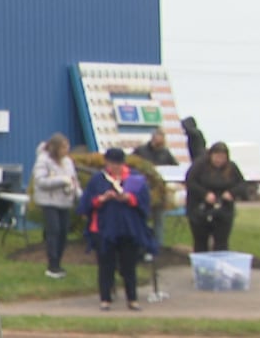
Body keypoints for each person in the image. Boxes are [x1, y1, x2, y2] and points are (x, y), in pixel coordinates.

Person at [79, 148, 155, 312]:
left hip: (129, 228)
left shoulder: (135, 178)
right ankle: (105, 299)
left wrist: (130, 198)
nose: (115, 167)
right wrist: (102, 199)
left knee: (129, 265)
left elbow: (145, 203)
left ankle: (132, 299)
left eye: (118, 164)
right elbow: (86, 203)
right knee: (106, 264)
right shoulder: (98, 179)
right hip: (104, 227)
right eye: (112, 163)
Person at [32, 133, 81, 279]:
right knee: (54, 231)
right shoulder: (43, 160)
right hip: (49, 202)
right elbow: (40, 181)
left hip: (65, 201)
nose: (66, 150)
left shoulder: (68, 162)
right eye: (64, 147)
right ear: (55, 148)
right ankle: (52, 266)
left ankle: (58, 263)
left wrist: (80, 195)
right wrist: (61, 180)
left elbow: (74, 180)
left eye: (68, 147)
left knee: (64, 233)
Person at [185, 141, 247, 253]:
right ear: (211, 155)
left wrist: (231, 193)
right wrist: (205, 194)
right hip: (200, 209)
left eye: (222, 158)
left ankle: (220, 266)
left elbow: (242, 185)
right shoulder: (200, 165)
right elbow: (190, 182)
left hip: (223, 209)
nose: (219, 160)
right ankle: (202, 266)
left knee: (221, 243)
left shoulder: (231, 167)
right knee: (200, 242)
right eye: (216, 157)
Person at [132, 127, 178, 247]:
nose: (160, 143)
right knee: (142, 218)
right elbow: (131, 165)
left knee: (159, 219)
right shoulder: (141, 151)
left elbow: (175, 168)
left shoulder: (165, 153)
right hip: (143, 189)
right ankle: (141, 244)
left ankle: (158, 246)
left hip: (159, 191)